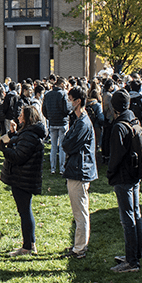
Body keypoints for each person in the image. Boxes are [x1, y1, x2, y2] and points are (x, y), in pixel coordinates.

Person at [0, 105, 46, 256]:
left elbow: (18, 156)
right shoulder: (29, 133)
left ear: (27, 118)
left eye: (21, 115)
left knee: (25, 211)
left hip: (23, 178)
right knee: (25, 211)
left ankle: (28, 246)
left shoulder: (29, 135)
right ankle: (29, 243)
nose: (19, 118)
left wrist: (4, 149)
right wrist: (12, 134)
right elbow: (17, 141)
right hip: (25, 177)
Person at [107, 89, 142, 272]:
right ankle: (135, 254)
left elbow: (116, 156)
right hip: (135, 173)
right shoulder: (134, 119)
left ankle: (131, 262)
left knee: (127, 218)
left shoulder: (119, 126)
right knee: (135, 215)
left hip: (123, 176)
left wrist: (110, 173)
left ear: (114, 107)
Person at [61, 86, 98, 259]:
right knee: (78, 210)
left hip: (80, 170)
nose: (69, 102)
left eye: (70, 99)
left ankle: (80, 248)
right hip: (77, 168)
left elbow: (68, 144)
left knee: (80, 211)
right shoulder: (77, 120)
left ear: (78, 101)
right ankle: (78, 245)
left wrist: (67, 139)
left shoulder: (83, 122)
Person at [42, 77, 72, 174]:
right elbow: (66, 109)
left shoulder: (47, 94)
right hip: (62, 122)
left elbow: (44, 109)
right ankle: (62, 168)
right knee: (62, 146)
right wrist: (68, 113)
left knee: (53, 146)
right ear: (62, 84)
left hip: (52, 122)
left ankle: (53, 168)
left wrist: (49, 117)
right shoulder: (63, 94)